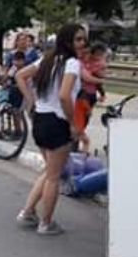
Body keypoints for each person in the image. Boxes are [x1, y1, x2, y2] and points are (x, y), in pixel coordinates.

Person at [15, 24, 88, 235]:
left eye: (84, 39)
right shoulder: (72, 63)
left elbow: (20, 75)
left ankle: (28, 212)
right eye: (78, 39)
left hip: (40, 119)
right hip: (58, 122)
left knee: (49, 171)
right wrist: (74, 123)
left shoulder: (47, 59)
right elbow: (65, 95)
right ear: (67, 42)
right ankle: (46, 223)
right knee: (54, 176)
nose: (83, 44)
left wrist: (30, 101)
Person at [74, 43, 108, 153]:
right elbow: (87, 78)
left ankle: (77, 143)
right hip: (81, 96)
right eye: (85, 53)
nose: (87, 55)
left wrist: (102, 92)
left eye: (89, 53)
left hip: (91, 95)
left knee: (84, 121)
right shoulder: (79, 63)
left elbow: (99, 77)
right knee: (79, 122)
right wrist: (100, 79)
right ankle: (75, 145)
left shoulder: (92, 63)